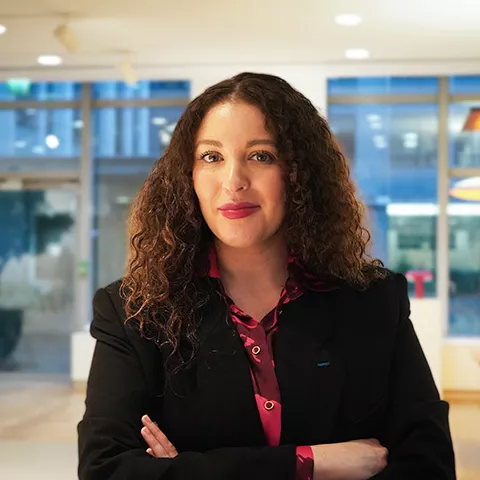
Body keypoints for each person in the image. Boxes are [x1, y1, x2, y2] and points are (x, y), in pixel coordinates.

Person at [78, 72, 456, 480]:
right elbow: (106, 470)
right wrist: (311, 463)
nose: (234, 182)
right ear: (188, 175)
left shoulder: (374, 301)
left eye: (261, 156)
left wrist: (186, 470)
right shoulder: (133, 312)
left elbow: (429, 466)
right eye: (211, 157)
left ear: (299, 173)